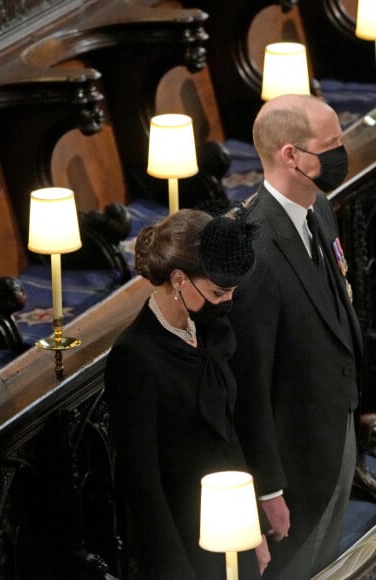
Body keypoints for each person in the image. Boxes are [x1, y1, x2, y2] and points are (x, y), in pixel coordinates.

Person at [229, 94, 363, 579]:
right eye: (330, 145)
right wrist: (268, 488)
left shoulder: (319, 207)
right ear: (291, 155)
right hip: (295, 455)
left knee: (330, 561)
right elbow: (249, 383)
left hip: (336, 423)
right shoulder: (255, 250)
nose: (340, 152)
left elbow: (337, 303)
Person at [104, 208, 263, 579]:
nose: (227, 302)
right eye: (218, 292)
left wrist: (252, 528)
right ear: (178, 279)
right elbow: (143, 486)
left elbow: (228, 432)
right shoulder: (134, 357)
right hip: (183, 544)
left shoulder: (208, 326)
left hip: (231, 527)